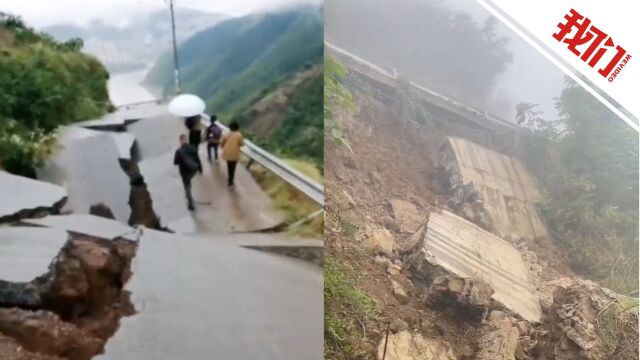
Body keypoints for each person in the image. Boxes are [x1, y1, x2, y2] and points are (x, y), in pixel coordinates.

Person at [173, 134, 202, 211]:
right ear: (186, 140)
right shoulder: (192, 148)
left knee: (187, 186)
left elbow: (175, 162)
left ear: (180, 141)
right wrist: (200, 169)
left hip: (184, 172)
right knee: (188, 182)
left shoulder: (178, 151)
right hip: (193, 170)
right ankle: (188, 195)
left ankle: (190, 204)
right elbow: (198, 159)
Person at [220, 121, 244, 187]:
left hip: (227, 152)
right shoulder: (239, 135)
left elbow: (221, 143)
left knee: (229, 166)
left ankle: (230, 178)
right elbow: (242, 144)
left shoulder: (226, 134)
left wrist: (223, 147)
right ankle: (231, 180)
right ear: (237, 127)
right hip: (234, 153)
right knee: (233, 167)